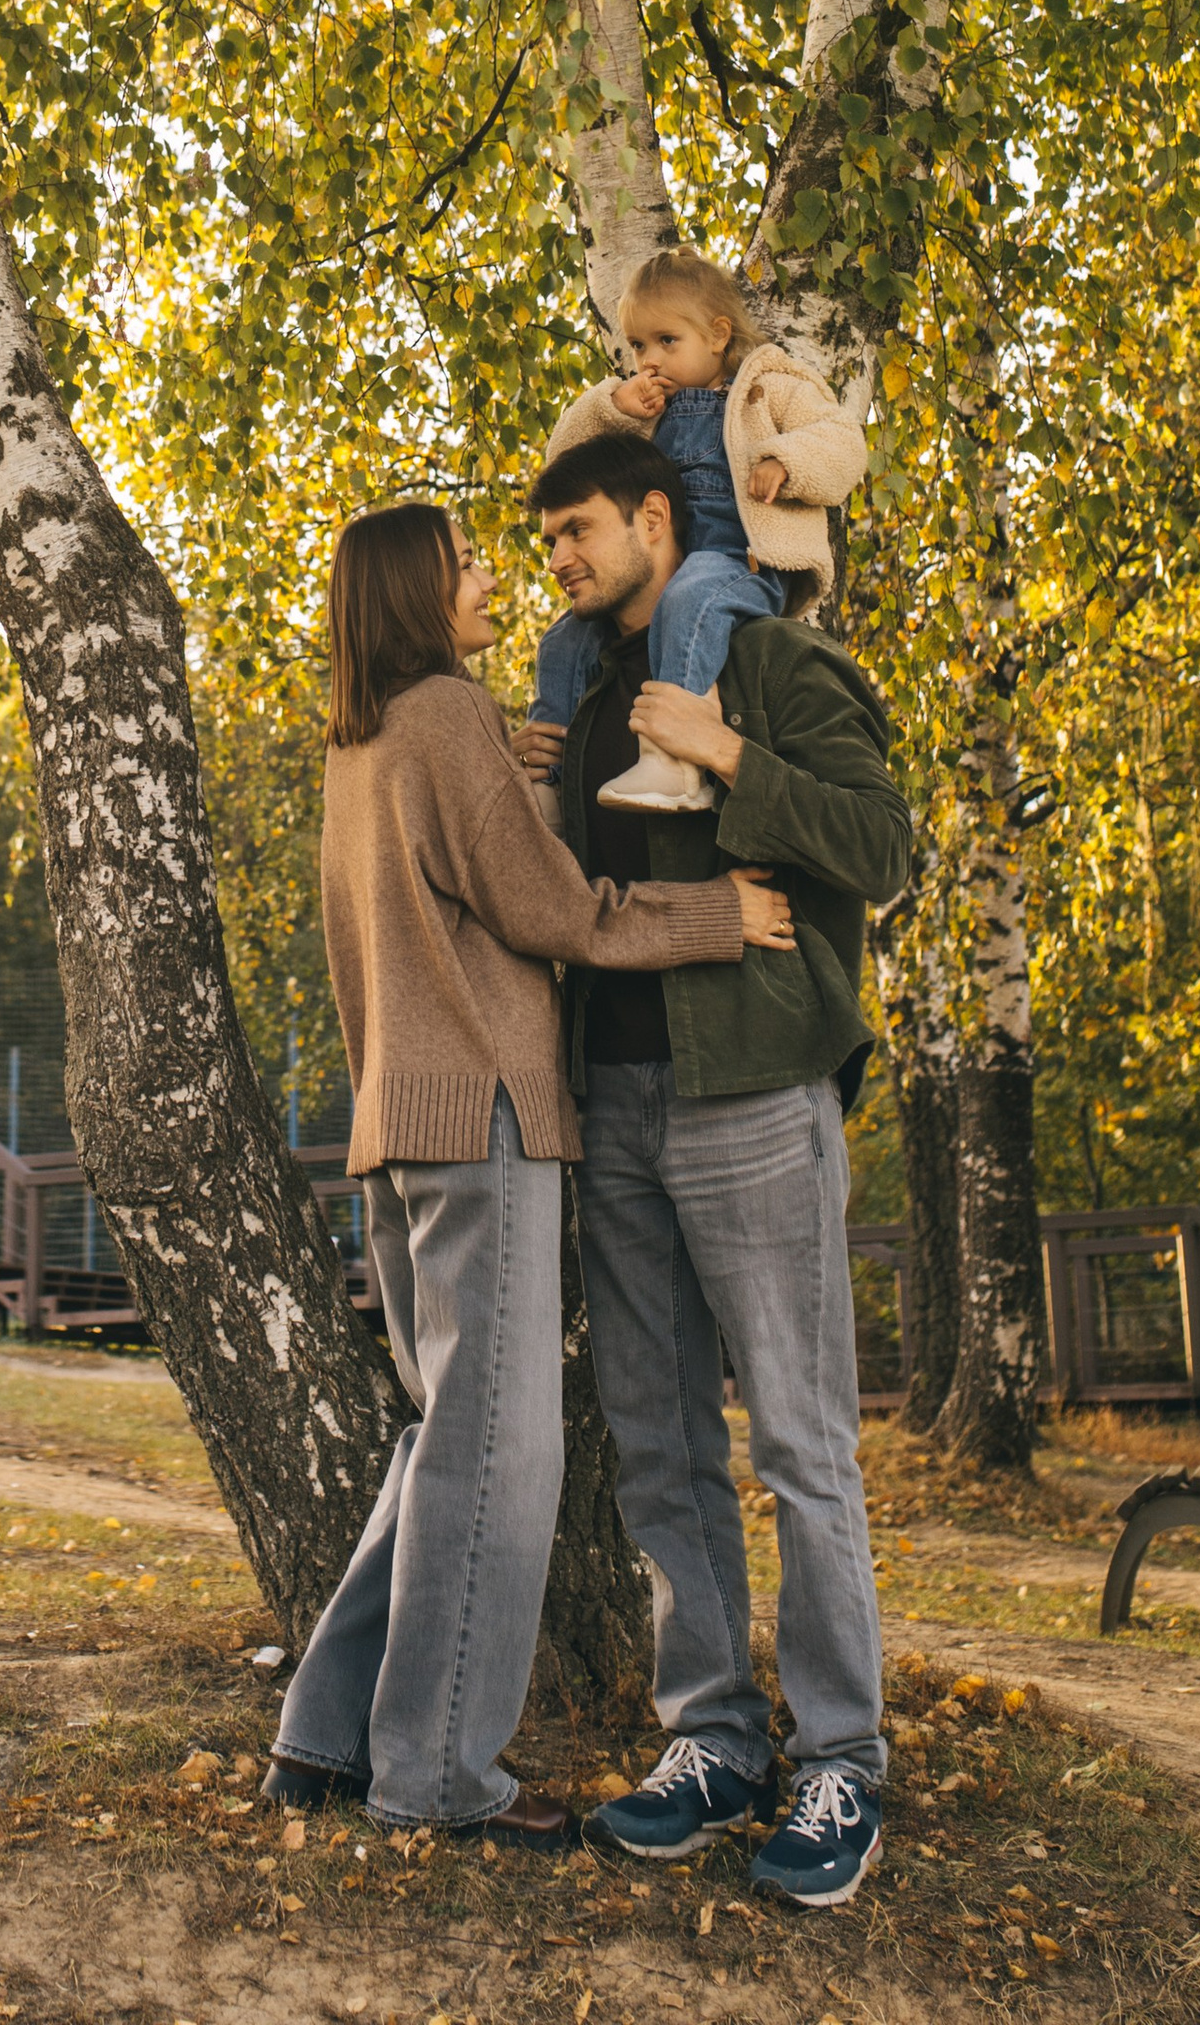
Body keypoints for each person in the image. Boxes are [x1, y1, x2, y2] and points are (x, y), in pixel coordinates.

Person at [264, 500, 797, 1855]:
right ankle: (436, 1776)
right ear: (417, 596)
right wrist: (716, 918)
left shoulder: (366, 741)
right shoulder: (446, 716)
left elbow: (454, 906)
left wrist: (532, 775)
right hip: (482, 1119)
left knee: (437, 1446)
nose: (496, 575)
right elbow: (552, 912)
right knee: (499, 1454)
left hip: (397, 1127)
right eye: (468, 564)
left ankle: (323, 1738)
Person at [516, 425, 913, 1912]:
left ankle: (840, 1761)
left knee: (803, 1444)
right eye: (546, 542)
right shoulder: (572, 692)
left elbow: (886, 847)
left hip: (751, 1091)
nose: (559, 559)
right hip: (607, 1097)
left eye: (578, 532)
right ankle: (714, 1744)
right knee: (662, 1443)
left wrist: (729, 757)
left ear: (652, 520)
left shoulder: (763, 662)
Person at [523, 250, 868, 799]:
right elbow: (561, 469)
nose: (648, 361)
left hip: (744, 559)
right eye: (637, 346)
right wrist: (614, 404)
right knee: (564, 639)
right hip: (676, 568)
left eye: (666, 341)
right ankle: (549, 784)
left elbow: (845, 442)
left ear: (717, 335)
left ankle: (672, 760)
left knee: (691, 598)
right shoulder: (646, 407)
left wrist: (785, 460)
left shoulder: (767, 386)